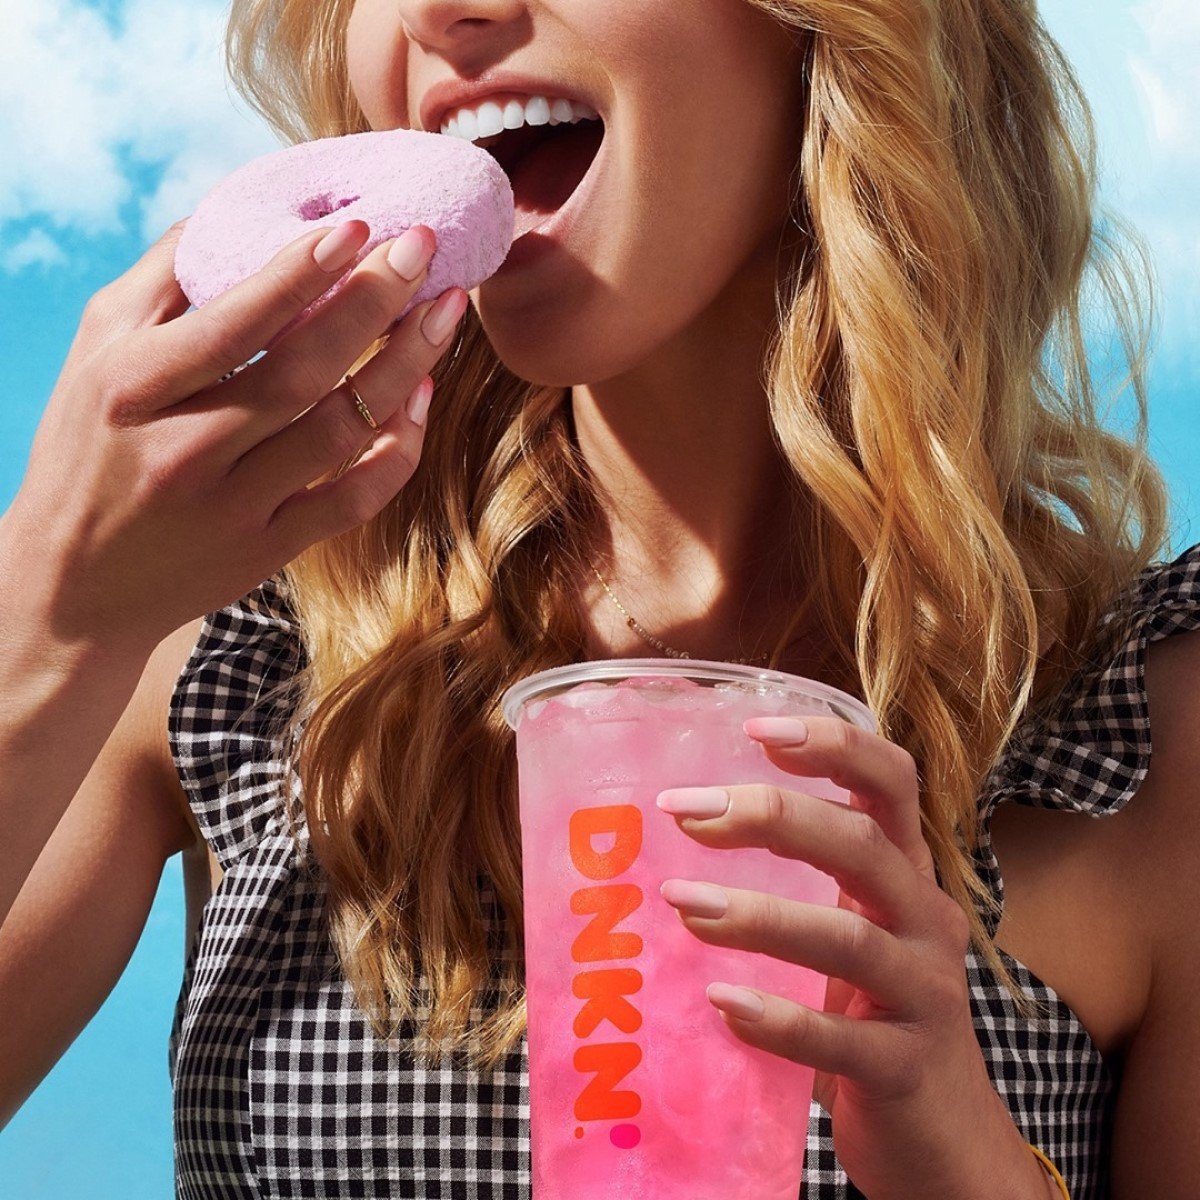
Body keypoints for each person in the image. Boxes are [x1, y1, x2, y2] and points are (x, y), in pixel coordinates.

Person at [0, 0, 1196, 1196]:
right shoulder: (226, 639)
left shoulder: (1144, 733)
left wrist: (971, 1169)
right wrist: (46, 615)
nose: (436, 10)